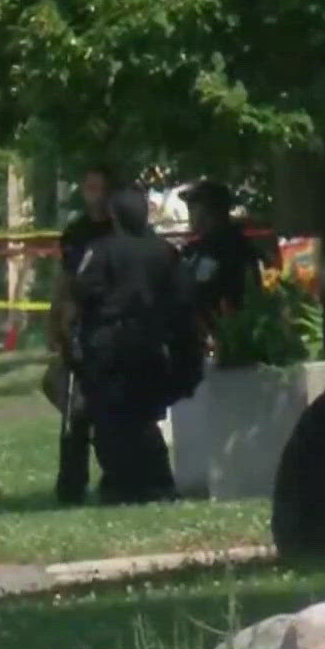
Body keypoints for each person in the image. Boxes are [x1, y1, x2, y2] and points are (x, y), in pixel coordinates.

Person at [70, 186, 203, 504]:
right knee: (143, 416)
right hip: (152, 344)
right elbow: (183, 301)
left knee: (111, 420)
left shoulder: (101, 250)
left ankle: (124, 484)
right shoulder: (166, 252)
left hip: (109, 346)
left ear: (114, 216)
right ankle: (156, 481)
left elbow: (84, 291)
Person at [48, 164, 117, 505]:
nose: (96, 195)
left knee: (109, 411)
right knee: (74, 411)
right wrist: (54, 321)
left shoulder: (121, 230)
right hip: (78, 328)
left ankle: (115, 475)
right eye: (90, 187)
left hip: (111, 330)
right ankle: (71, 483)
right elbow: (63, 281)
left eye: (100, 187)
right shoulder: (76, 233)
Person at [178, 180, 263, 332]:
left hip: (228, 333)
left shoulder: (230, 247)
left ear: (211, 212)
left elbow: (202, 289)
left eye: (193, 208)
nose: (190, 214)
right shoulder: (197, 249)